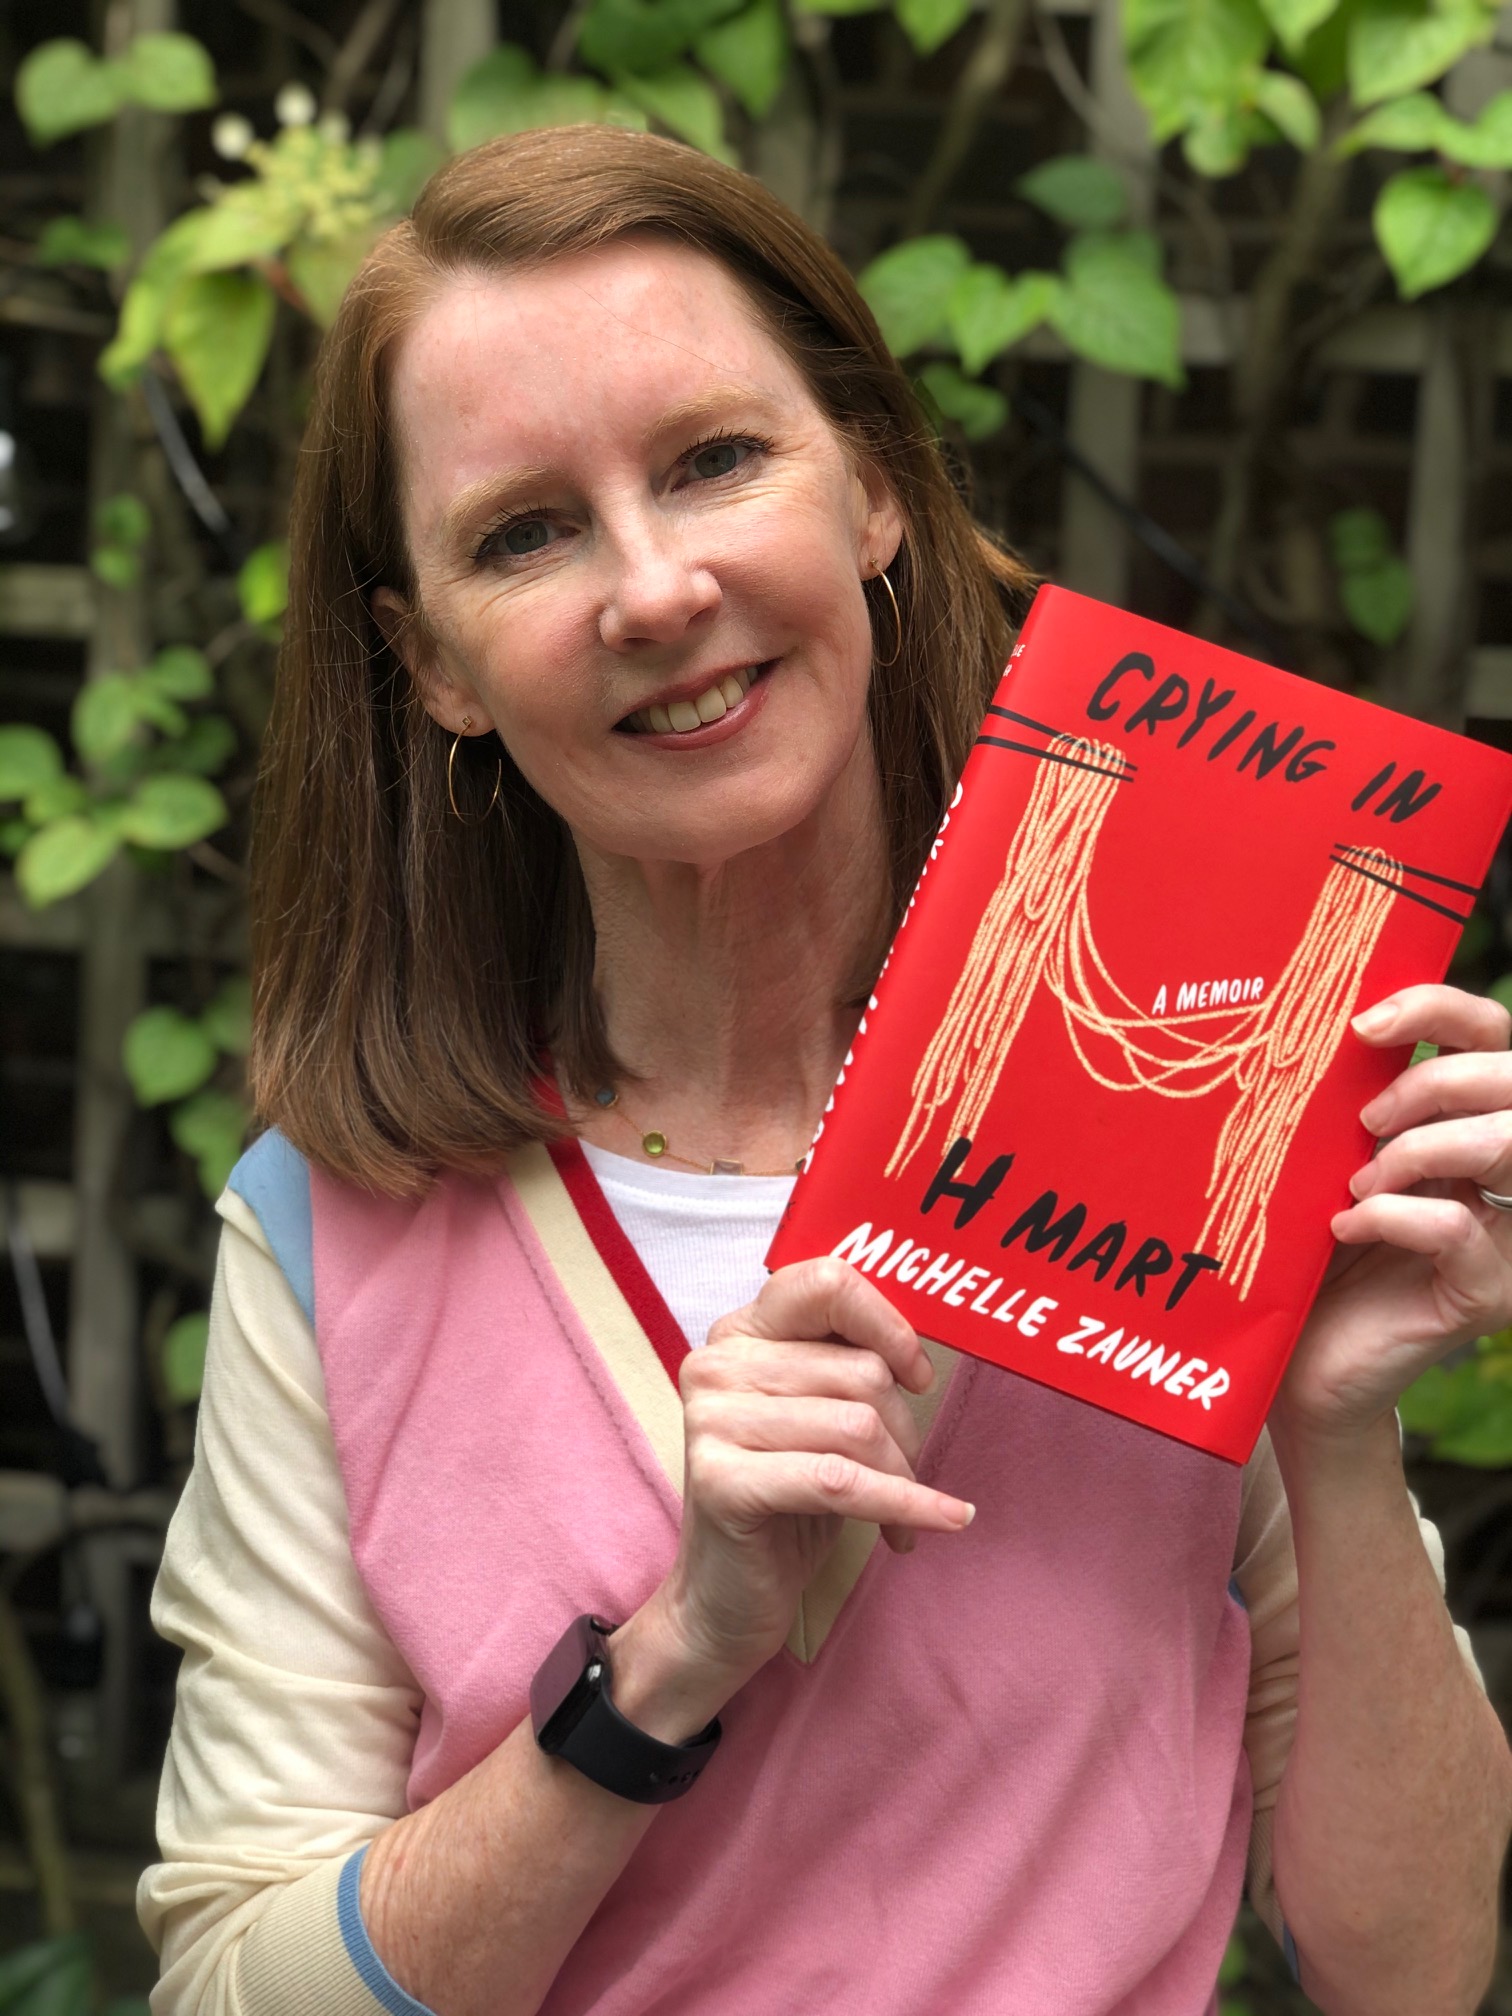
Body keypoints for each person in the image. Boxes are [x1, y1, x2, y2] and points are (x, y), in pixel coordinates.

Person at [138, 125, 1512, 2016]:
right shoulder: (331, 1234)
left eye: (714, 460)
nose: (654, 588)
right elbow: (227, 1982)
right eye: (524, 533)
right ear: (431, 662)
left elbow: (1413, 1976)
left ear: (869, 486)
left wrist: (1335, 1432)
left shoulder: (1191, 1124)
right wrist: (667, 1662)